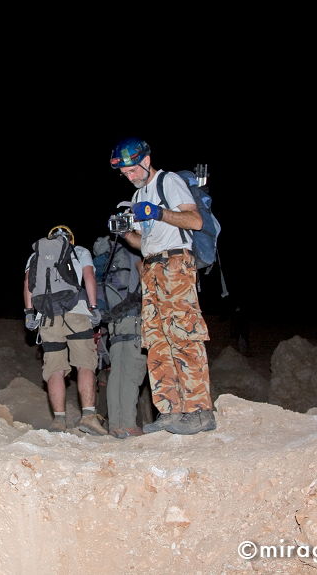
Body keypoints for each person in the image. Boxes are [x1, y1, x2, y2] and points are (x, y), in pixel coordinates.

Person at [109, 138, 216, 435]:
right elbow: (142, 243)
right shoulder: (138, 193)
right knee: (156, 341)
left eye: (132, 170)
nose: (129, 176)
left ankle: (199, 411)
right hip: (153, 267)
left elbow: (194, 221)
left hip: (176, 264)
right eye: (125, 173)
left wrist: (157, 212)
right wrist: (127, 231)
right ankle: (170, 411)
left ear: (146, 159)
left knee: (184, 334)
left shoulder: (167, 182)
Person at [23, 225, 108, 435]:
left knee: (55, 368)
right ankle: (88, 416)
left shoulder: (37, 255)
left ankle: (59, 421)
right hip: (77, 313)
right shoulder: (79, 251)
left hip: (47, 317)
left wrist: (28, 313)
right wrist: (94, 306)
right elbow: (89, 276)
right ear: (71, 239)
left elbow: (28, 285)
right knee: (85, 364)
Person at [92, 235, 144, 439]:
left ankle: (115, 424)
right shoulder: (133, 253)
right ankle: (129, 424)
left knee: (116, 374)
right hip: (133, 317)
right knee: (131, 372)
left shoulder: (109, 256)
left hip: (113, 322)